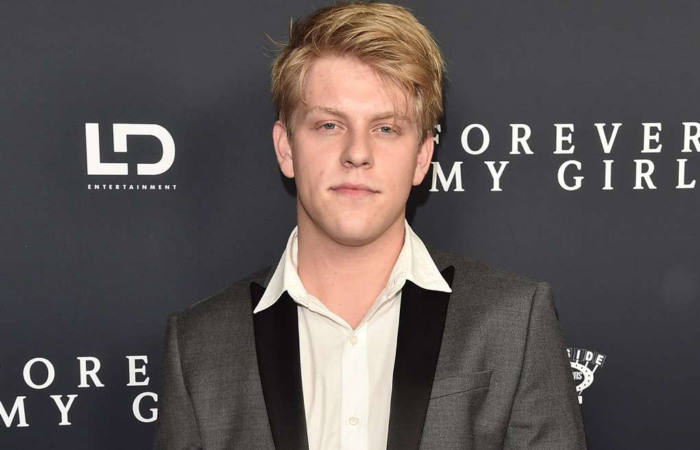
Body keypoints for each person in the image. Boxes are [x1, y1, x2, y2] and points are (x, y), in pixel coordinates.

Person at [153, 2, 586, 449]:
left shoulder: (513, 323)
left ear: (422, 156)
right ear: (286, 148)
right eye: (329, 125)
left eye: (386, 129)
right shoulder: (200, 347)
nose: (357, 153)